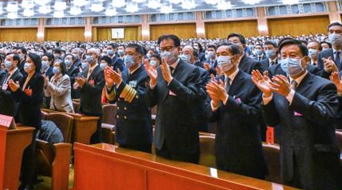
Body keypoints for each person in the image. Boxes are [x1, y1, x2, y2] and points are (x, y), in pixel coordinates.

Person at [252, 39, 342, 190]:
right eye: (283, 56)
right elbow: (272, 121)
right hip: (289, 160)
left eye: (293, 55)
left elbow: (324, 114)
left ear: (306, 60)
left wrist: (289, 93)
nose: (287, 60)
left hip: (318, 160)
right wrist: (268, 96)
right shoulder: (279, 86)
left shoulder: (324, 85)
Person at [206, 41, 268, 179]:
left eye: (224, 54)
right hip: (223, 148)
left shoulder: (252, 82)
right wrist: (215, 103)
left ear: (235, 58)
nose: (220, 58)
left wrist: (226, 98)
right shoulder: (216, 81)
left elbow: (254, 115)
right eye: (217, 54)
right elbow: (209, 117)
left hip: (246, 150)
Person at [145, 34, 206, 164]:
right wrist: (152, 84)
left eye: (169, 48)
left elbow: (192, 97)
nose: (165, 52)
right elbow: (150, 102)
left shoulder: (193, 71)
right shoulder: (158, 71)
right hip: (162, 138)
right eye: (162, 49)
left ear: (178, 49)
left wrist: (171, 80)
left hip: (183, 138)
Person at [105, 43, 152, 153]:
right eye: (125, 53)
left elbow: (139, 99)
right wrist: (110, 85)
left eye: (130, 53)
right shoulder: (124, 73)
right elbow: (112, 99)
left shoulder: (146, 74)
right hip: (122, 127)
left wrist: (120, 83)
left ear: (139, 57)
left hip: (138, 129)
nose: (126, 56)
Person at [8, 53, 44, 190]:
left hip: (32, 119)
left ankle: (28, 183)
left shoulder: (39, 78)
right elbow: (19, 99)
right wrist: (14, 91)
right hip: (21, 117)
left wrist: (18, 91)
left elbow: (35, 100)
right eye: (26, 61)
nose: (26, 64)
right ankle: (22, 179)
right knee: (22, 152)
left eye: (29, 61)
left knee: (29, 152)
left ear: (36, 64)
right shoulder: (24, 77)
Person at [74, 47, 105, 143]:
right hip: (83, 107)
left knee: (94, 138)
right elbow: (83, 88)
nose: (88, 56)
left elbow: (98, 89)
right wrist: (78, 85)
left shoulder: (100, 71)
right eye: (87, 54)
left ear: (97, 56)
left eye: (91, 54)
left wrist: (84, 84)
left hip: (94, 109)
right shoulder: (85, 70)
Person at [0, 54, 23, 118]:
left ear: (16, 62)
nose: (6, 61)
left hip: (9, 110)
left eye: (9, 60)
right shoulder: (6, 73)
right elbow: (3, 89)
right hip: (0, 107)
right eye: (5, 59)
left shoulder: (19, 76)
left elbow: (14, 96)